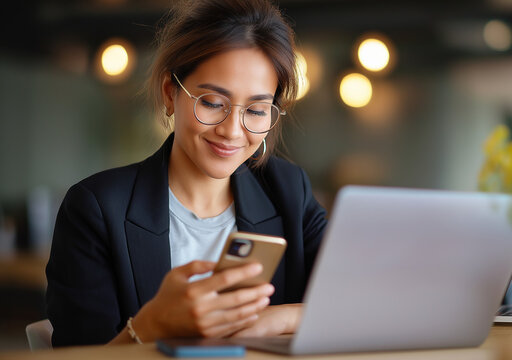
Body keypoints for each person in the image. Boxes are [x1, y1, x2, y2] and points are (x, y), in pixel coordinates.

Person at [45, 0, 327, 347]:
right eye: (211, 103)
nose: (232, 131)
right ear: (170, 92)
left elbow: (358, 302)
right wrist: (152, 325)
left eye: (255, 110)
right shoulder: (96, 209)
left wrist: (276, 319)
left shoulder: (288, 191)